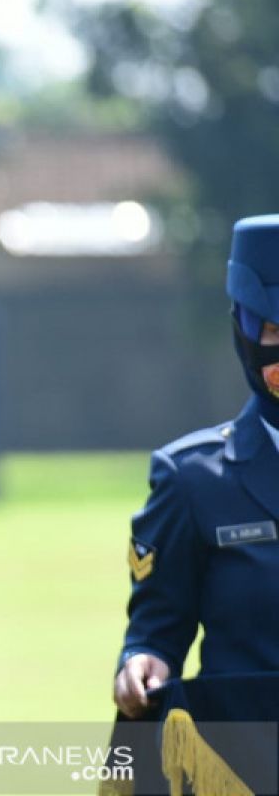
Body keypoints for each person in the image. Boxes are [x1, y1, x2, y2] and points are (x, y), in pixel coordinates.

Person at [113, 214, 279, 719]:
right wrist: (143, 661)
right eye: (276, 329)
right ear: (245, 333)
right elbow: (157, 629)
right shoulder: (192, 478)